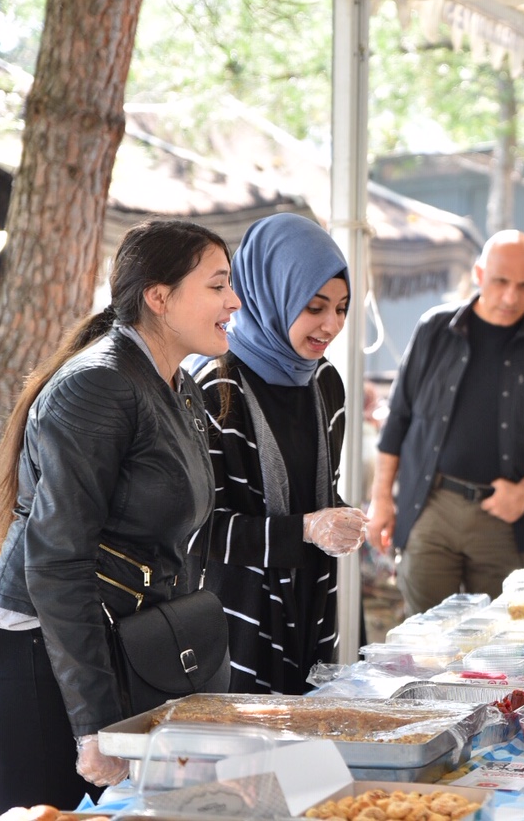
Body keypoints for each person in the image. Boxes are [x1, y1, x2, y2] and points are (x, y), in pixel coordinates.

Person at [0, 221, 240, 814]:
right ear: (159, 298)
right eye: (217, 286)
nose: (233, 302)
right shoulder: (98, 385)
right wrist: (95, 724)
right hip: (37, 654)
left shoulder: (175, 383)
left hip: (117, 642)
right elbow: (57, 564)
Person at [367, 230, 524, 614]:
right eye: (500, 282)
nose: (510, 297)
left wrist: (523, 493)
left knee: (501, 636)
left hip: (504, 517)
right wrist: (381, 499)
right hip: (431, 504)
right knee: (425, 632)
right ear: (478, 274)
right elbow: (399, 416)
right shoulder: (434, 328)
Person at [190, 213, 366, 695]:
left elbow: (317, 495)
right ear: (270, 294)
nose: (332, 325)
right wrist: (305, 529)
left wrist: (340, 519)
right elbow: (198, 531)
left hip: (312, 606)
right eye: (314, 307)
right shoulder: (215, 388)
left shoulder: (324, 381)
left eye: (342, 308)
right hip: (237, 620)